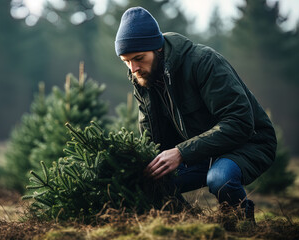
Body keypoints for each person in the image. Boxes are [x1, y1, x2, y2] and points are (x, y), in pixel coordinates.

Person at [114, 7, 277, 225]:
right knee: (152, 178)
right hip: (200, 152)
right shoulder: (143, 79)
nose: (133, 68)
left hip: (248, 142)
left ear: (158, 49)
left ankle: (243, 225)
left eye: (139, 58)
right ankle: (190, 225)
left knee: (220, 179)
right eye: (126, 61)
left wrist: (181, 152)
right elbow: (151, 140)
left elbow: (239, 122)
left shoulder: (203, 61)